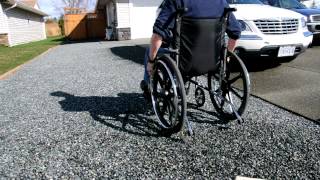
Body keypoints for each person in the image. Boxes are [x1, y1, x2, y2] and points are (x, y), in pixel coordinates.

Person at [140, 0, 241, 100]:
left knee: (150, 50)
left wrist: (151, 61)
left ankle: (148, 87)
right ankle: (179, 82)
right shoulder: (221, 2)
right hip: (213, 61)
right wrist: (227, 56)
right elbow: (236, 32)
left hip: (185, 62)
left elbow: (158, 35)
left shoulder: (177, 1)